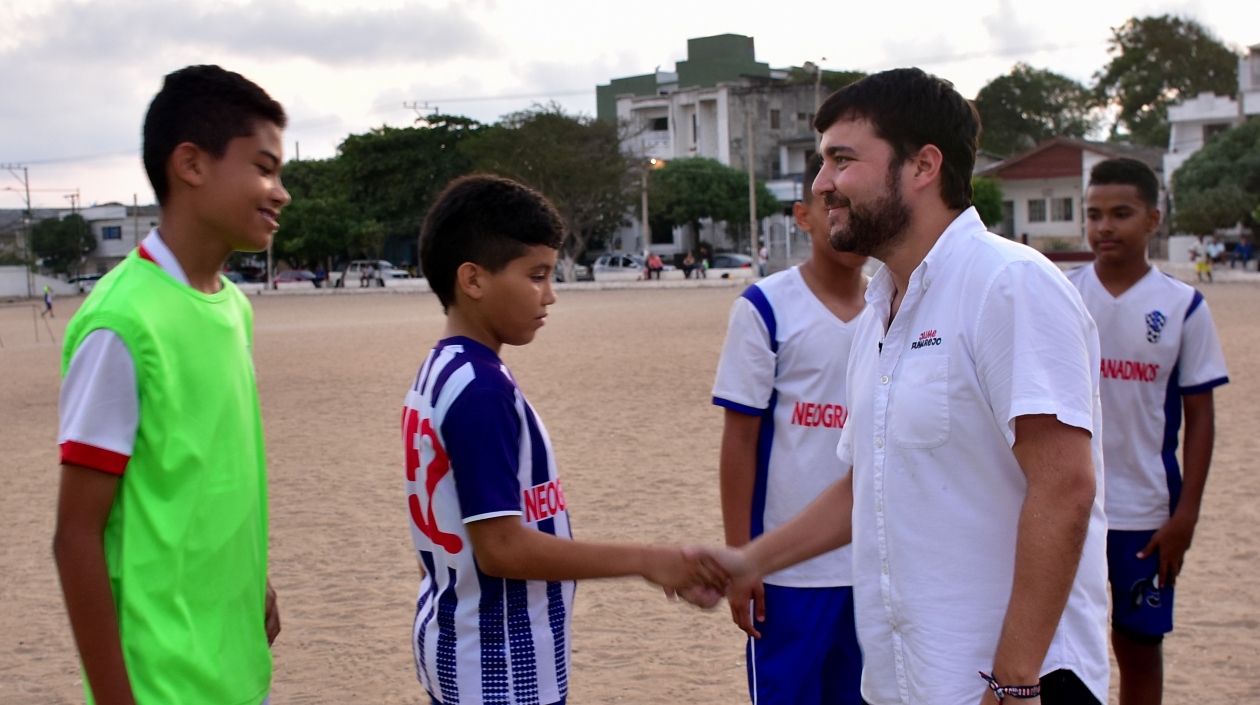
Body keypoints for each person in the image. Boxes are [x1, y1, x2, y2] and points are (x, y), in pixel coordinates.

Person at [702, 68, 1110, 705]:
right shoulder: (879, 314)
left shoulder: (1008, 284)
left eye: (843, 160)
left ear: (923, 166)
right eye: (821, 162)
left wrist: (1015, 679)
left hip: (1014, 681)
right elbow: (868, 486)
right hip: (907, 675)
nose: (822, 184)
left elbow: (1065, 487)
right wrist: (751, 560)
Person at [405, 174, 722, 705]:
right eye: (536, 275)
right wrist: (648, 559)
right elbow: (502, 549)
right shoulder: (480, 390)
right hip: (499, 669)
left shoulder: (441, 369)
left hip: (458, 649)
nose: (550, 295)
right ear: (473, 279)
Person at [52, 65, 287, 704]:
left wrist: (250, 586)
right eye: (264, 167)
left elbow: (206, 476)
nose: (280, 191)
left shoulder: (232, 308)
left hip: (236, 665)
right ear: (191, 164)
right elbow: (75, 536)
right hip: (161, 683)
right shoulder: (122, 323)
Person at [1067, 158, 1229, 705]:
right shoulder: (1063, 294)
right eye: (1093, 214)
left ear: (1153, 218)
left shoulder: (1184, 306)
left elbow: (1201, 417)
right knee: (1062, 650)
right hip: (1069, 505)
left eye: (1120, 213)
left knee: (1137, 647)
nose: (1104, 227)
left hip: (1146, 514)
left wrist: (1185, 516)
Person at [712, 153, 868, 705]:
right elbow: (740, 442)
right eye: (830, 206)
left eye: (853, 203)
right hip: (789, 572)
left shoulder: (894, 305)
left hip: (873, 565)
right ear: (803, 216)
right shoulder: (765, 307)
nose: (841, 217)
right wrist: (743, 557)